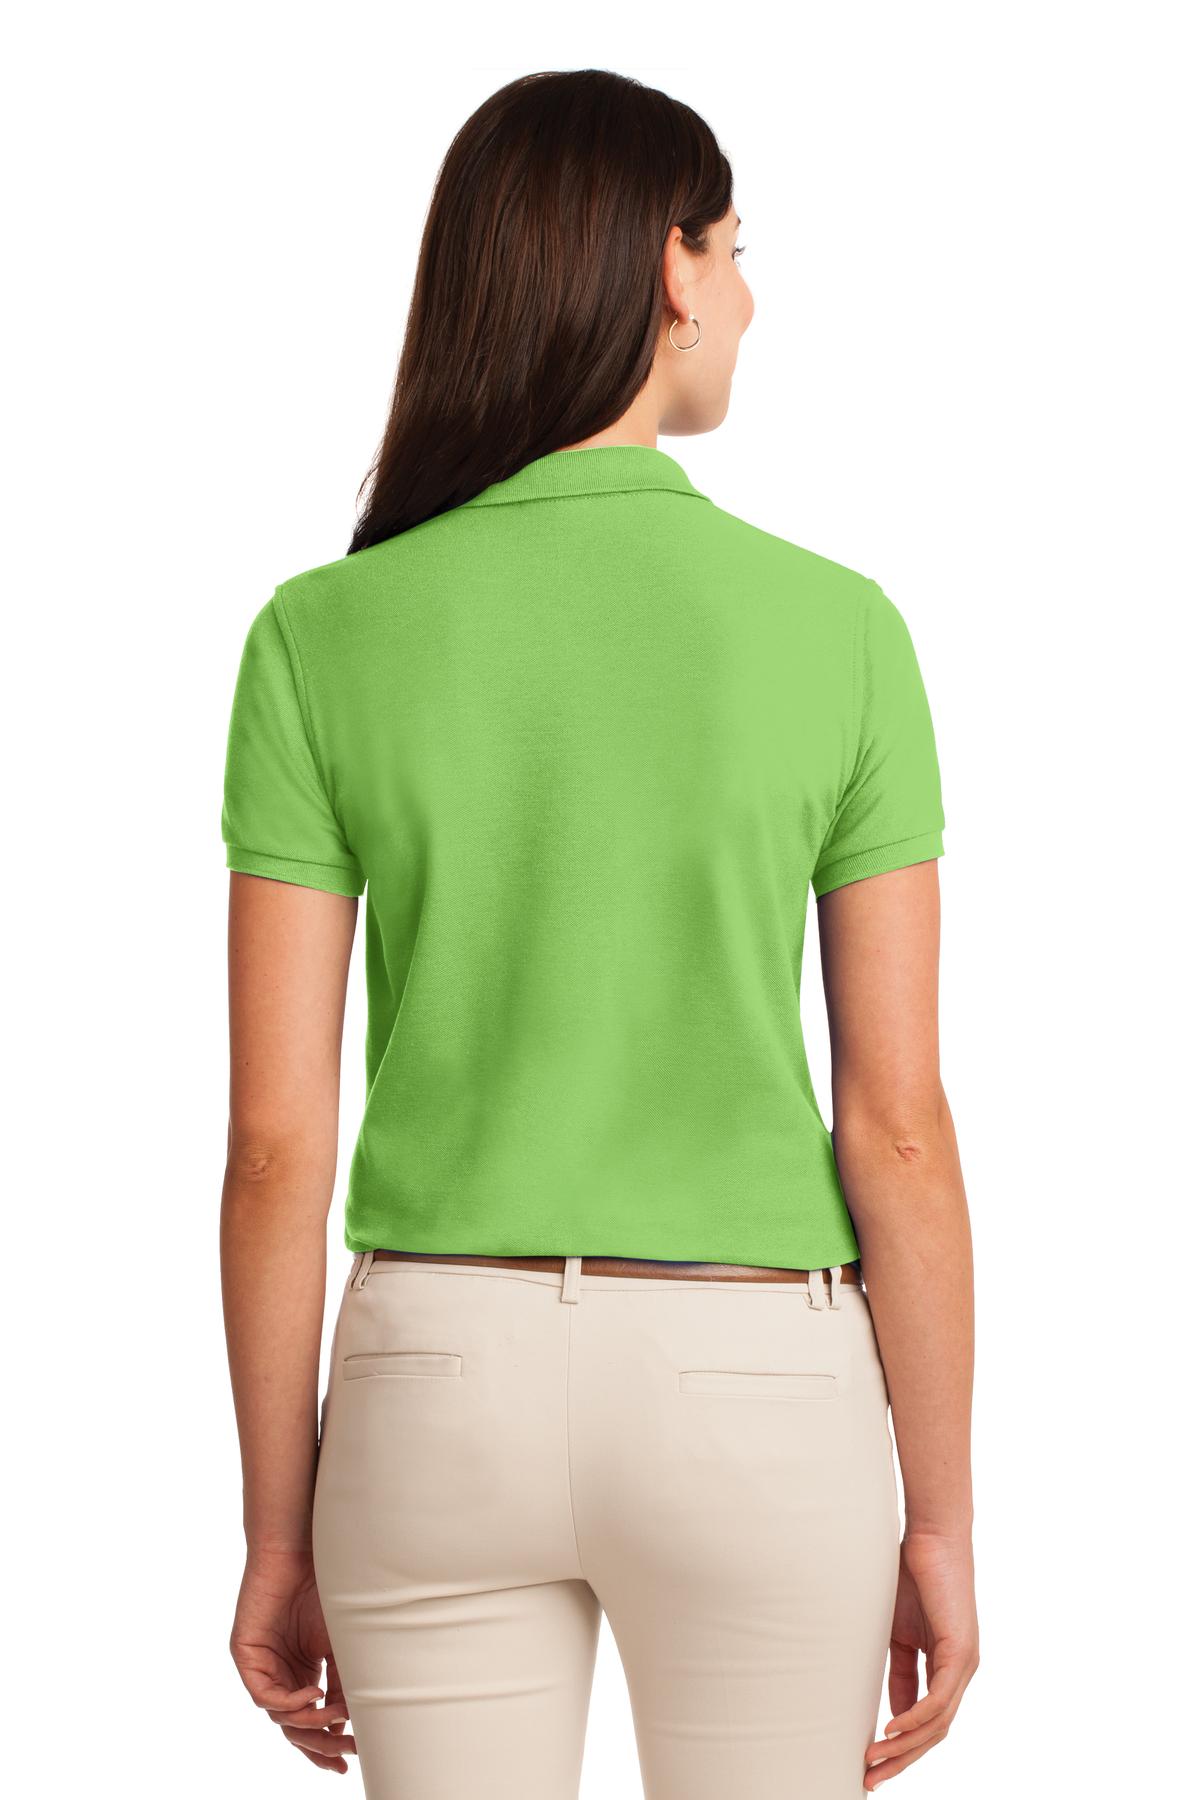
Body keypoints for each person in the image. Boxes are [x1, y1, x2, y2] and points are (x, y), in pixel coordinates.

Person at [219, 68, 978, 1799]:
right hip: (754, 1383)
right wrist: (936, 1514)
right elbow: (898, 1126)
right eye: (737, 250)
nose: (750, 299)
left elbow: (274, 1146)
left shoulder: (319, 635)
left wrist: (277, 1530)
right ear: (668, 268)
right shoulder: (842, 632)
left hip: (436, 1376)